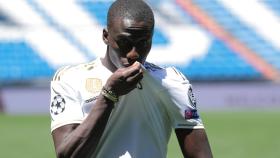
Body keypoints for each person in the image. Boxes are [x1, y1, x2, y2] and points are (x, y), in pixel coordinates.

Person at [49, 0, 213, 157]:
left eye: (143, 42)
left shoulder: (172, 81)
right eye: (124, 42)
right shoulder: (70, 79)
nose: (134, 54)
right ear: (106, 36)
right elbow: (67, 155)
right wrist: (109, 95)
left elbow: (200, 154)